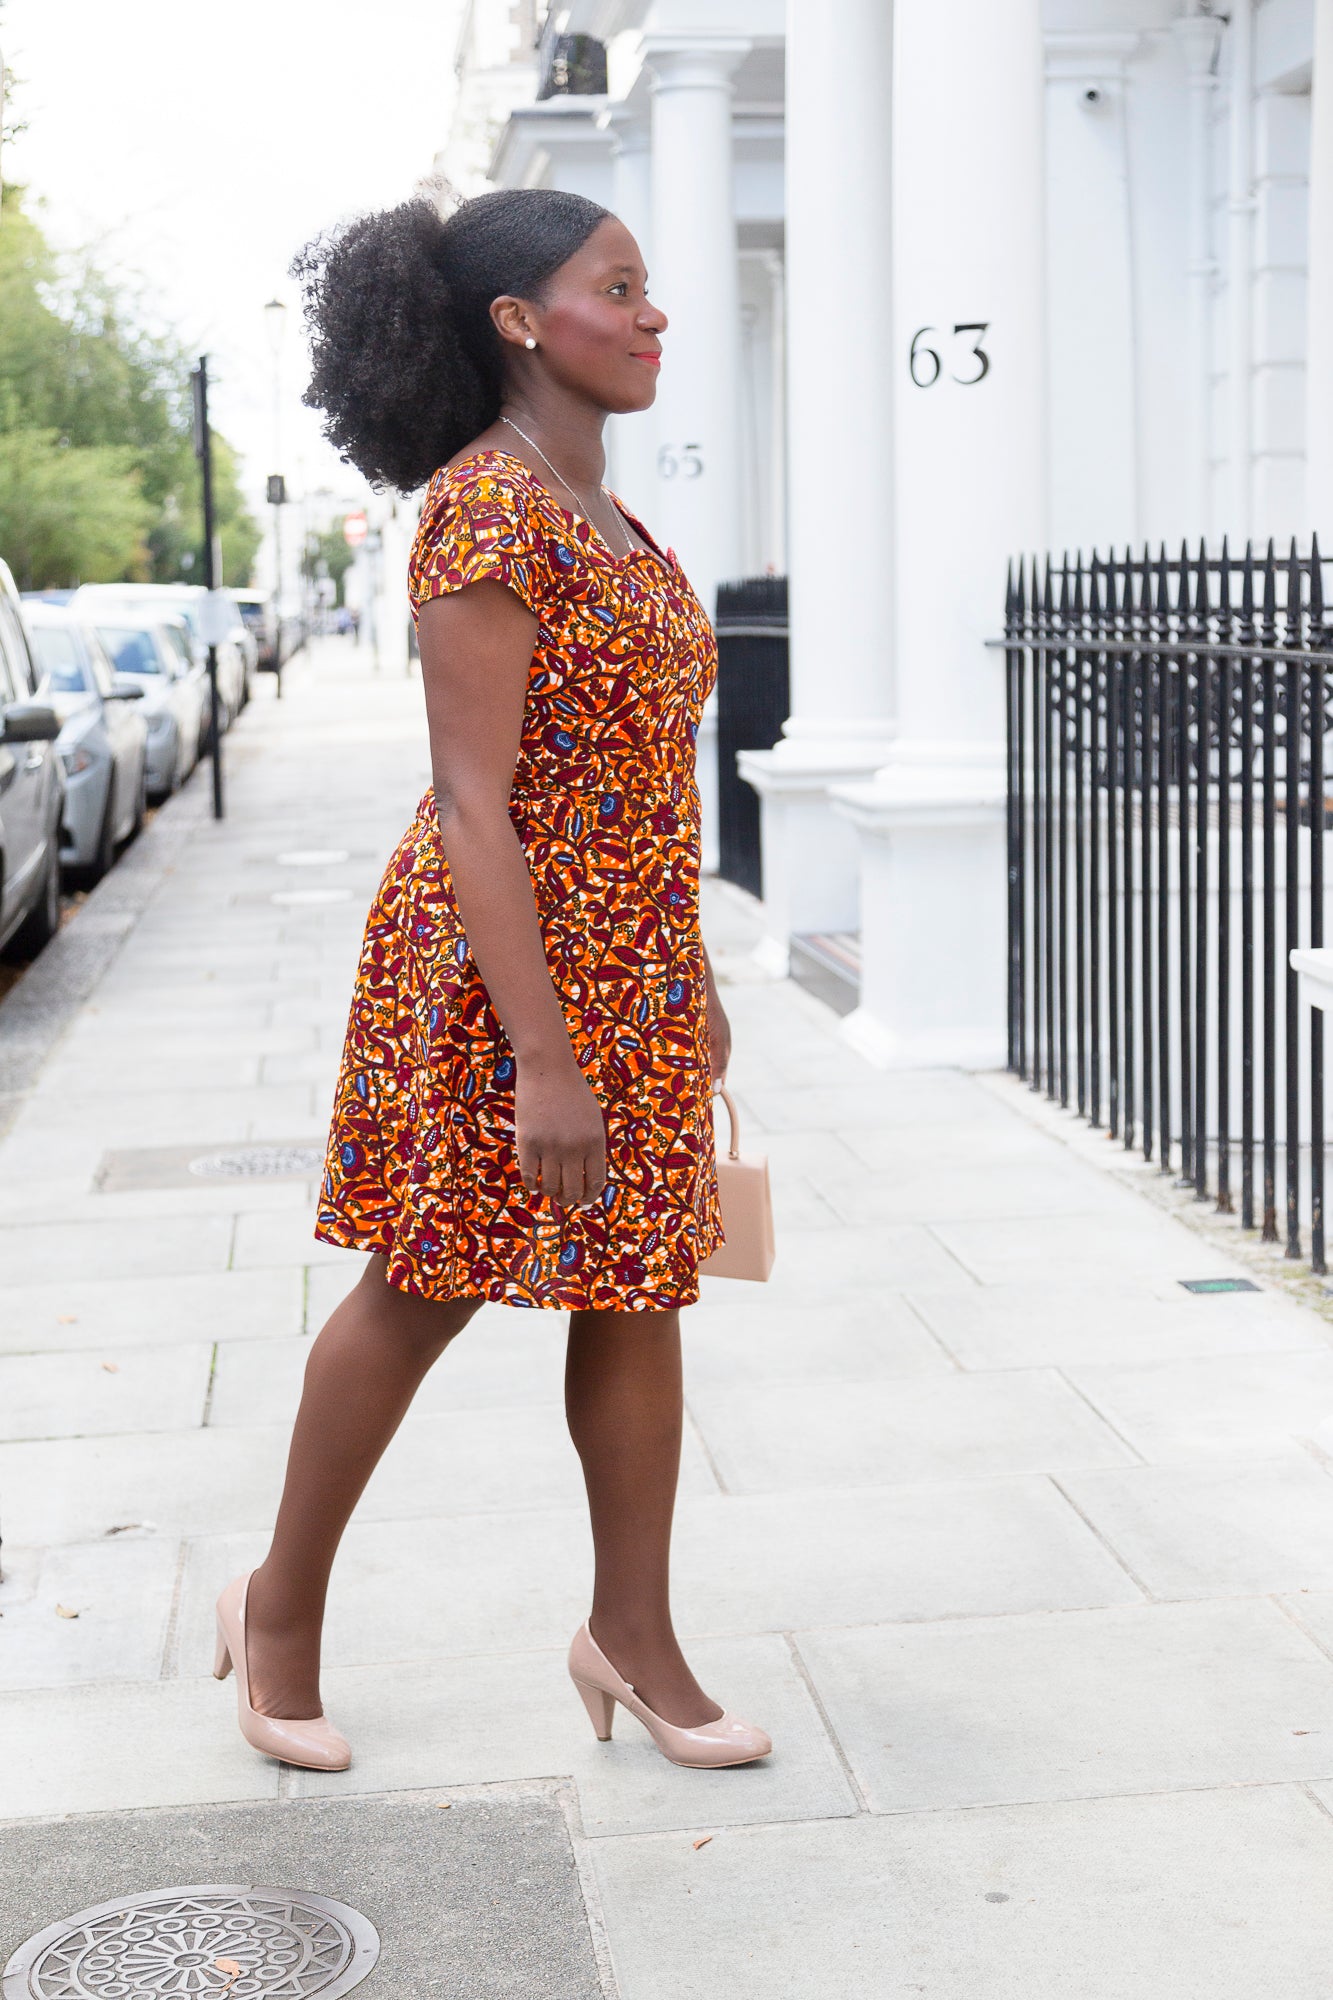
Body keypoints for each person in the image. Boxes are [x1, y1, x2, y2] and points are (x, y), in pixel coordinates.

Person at [212, 188, 771, 1775]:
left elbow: (641, 773)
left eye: (653, 287)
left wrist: (690, 972)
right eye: (620, 285)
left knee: (642, 1287)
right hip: (492, 971)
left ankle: (632, 1637)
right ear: (520, 320)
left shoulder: (608, 511)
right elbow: (475, 800)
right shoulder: (486, 510)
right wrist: (542, 1052)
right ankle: (280, 1615)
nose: (655, 313)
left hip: (635, 963)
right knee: (427, 1282)